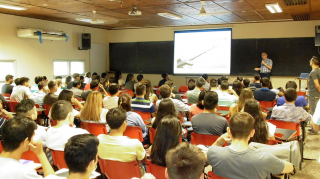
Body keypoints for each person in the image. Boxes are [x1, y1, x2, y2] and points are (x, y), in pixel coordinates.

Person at [207, 112, 294, 179]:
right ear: (252, 133)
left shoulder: (213, 153)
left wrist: (221, 138)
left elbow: (206, 154)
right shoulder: (266, 158)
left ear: (229, 131)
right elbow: (290, 168)